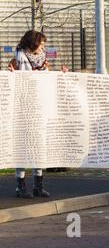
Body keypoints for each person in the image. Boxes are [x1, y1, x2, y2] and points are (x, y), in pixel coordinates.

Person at [8, 30, 68, 198]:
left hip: (40, 107)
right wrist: (11, 74)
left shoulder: (42, 60)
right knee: (23, 147)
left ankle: (38, 186)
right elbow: (9, 75)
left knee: (39, 146)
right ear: (33, 43)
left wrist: (62, 73)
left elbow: (49, 78)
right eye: (41, 43)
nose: (43, 46)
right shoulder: (18, 58)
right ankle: (20, 187)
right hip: (24, 109)